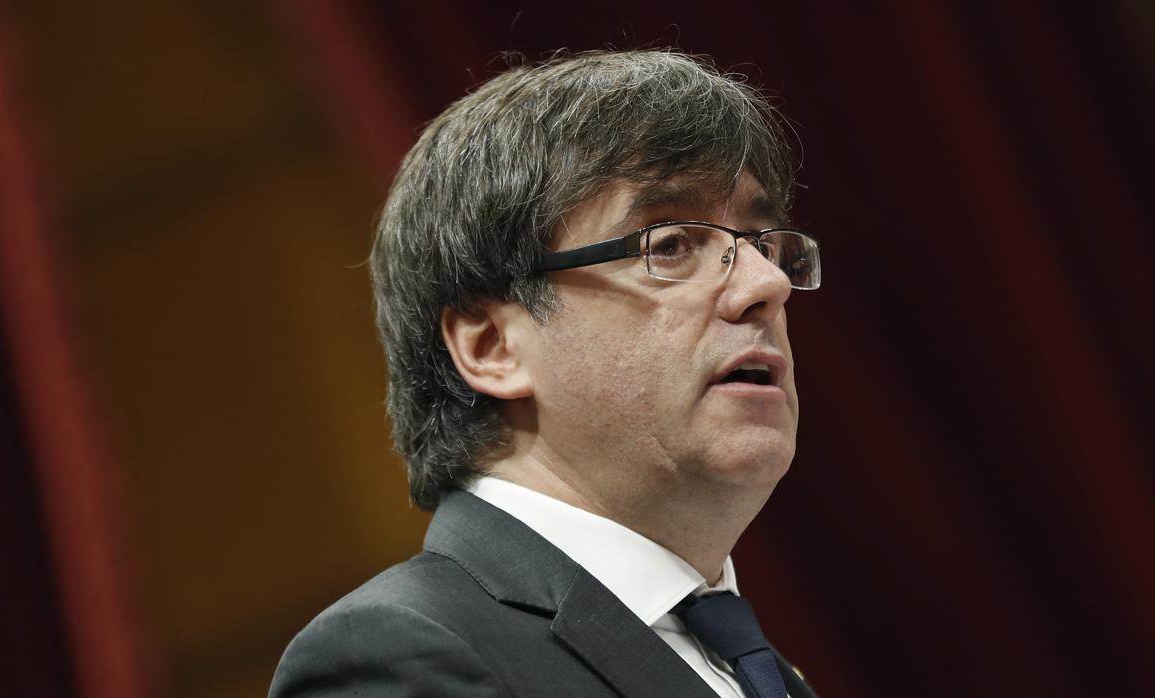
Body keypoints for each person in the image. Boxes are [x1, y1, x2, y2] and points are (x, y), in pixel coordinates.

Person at [270, 50, 822, 698]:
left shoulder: (757, 670)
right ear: (493, 348)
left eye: (761, 243)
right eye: (670, 245)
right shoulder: (399, 657)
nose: (766, 284)